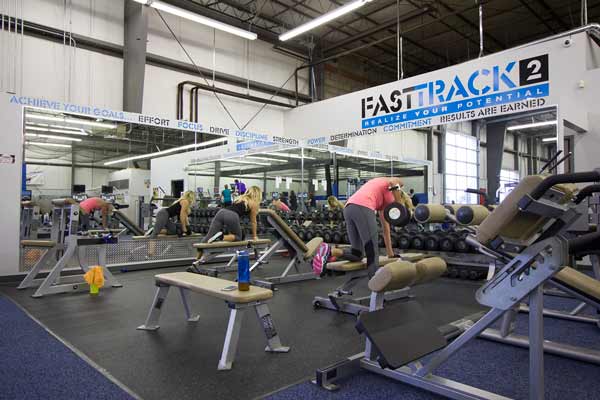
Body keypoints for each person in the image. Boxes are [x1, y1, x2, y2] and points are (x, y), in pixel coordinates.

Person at [312, 177, 407, 278]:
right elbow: (393, 182)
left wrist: (390, 253)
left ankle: (330, 250)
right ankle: (374, 279)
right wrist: (399, 205)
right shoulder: (394, 184)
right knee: (372, 248)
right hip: (363, 206)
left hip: (349, 208)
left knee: (357, 254)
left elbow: (385, 228)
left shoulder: (384, 200)